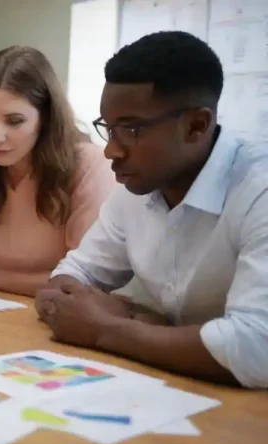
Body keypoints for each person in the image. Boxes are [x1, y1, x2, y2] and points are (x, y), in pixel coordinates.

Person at [35, 31, 268, 388]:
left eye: (131, 128)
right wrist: (138, 320)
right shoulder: (136, 187)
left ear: (196, 125)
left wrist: (107, 328)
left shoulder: (259, 190)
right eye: (108, 129)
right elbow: (67, 279)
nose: (111, 150)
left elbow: (256, 347)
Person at [0, 46, 115, 296]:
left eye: (14, 121)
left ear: (46, 118)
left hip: (64, 315)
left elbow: (82, 281)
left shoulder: (90, 165)